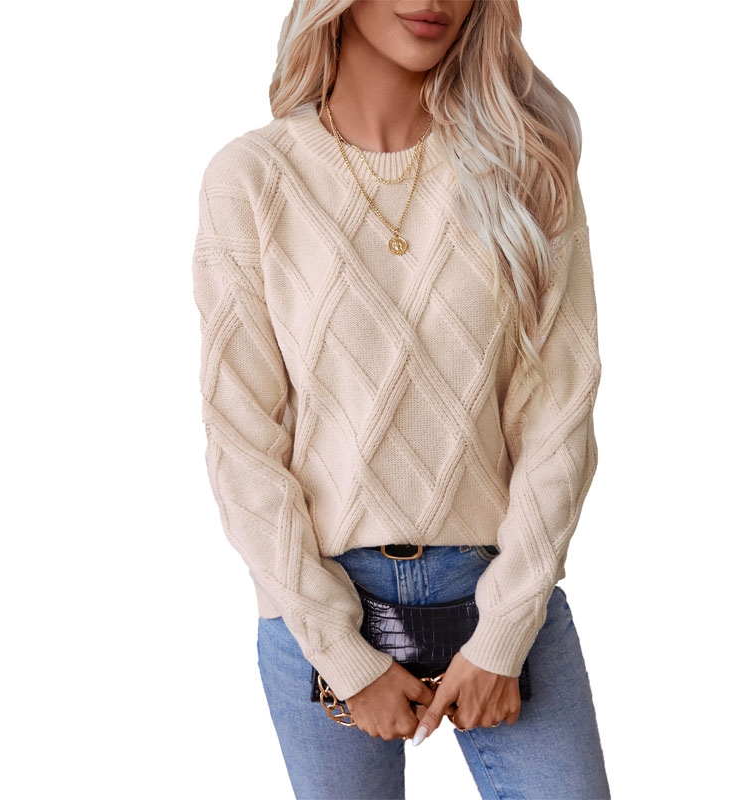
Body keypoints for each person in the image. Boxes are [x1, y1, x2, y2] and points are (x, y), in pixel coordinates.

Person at [191, 1, 610, 797]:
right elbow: (240, 441)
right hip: (317, 604)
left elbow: (560, 416)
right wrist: (343, 657)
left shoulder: (526, 169)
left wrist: (503, 635)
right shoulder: (250, 178)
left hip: (503, 588)